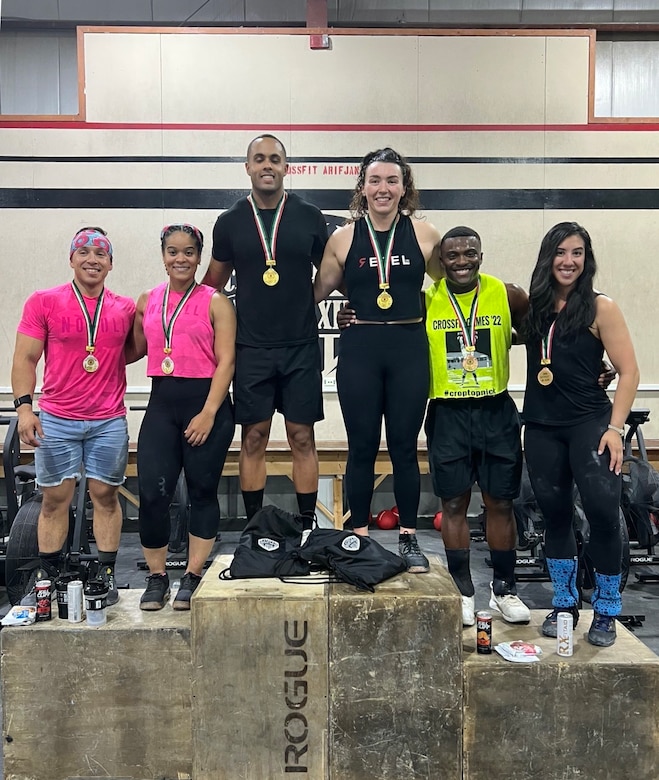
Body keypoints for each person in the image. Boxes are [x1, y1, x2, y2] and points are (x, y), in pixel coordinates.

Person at [314, 147, 442, 573]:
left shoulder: (426, 235)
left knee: (406, 448)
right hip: (361, 351)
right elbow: (310, 295)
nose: (383, 188)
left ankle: (408, 538)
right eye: (375, 181)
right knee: (362, 448)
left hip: (408, 350)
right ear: (362, 187)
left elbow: (455, 293)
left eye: (391, 180)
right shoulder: (343, 238)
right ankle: (358, 537)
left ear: (404, 186)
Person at [522, 222, 639, 647]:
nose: (568, 261)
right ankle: (564, 602)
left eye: (577, 253)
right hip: (540, 427)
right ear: (547, 256)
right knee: (554, 517)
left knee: (604, 514)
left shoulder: (599, 307)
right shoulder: (531, 305)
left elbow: (628, 372)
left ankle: (607, 609)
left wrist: (614, 429)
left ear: (586, 259)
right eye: (560, 252)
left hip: (590, 425)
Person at [201, 134, 328, 524]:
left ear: (286, 167)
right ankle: (254, 526)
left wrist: (349, 305)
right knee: (253, 437)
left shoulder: (309, 216)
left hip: (301, 346)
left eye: (275, 158)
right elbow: (212, 284)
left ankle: (307, 526)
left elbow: (332, 271)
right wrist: (177, 310)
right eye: (259, 159)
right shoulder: (230, 222)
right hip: (252, 348)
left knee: (301, 437)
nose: (267, 165)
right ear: (248, 168)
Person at [11, 226, 136, 605]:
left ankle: (107, 571)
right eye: (83, 252)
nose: (92, 259)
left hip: (108, 419)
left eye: (101, 253)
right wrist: (25, 408)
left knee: (106, 496)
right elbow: (25, 359)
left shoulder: (125, 308)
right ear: (71, 259)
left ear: (111, 263)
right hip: (57, 418)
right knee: (54, 500)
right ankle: (48, 575)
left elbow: (135, 350)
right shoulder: (43, 301)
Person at [425, 226, 532, 624]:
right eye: (452, 256)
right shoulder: (427, 300)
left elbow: (540, 332)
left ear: (481, 256)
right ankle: (462, 591)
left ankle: (504, 589)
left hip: (496, 410)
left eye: (470, 253)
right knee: (453, 504)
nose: (462, 262)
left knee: (500, 503)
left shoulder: (508, 294)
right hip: (448, 412)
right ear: (441, 262)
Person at [133, 224, 236, 610]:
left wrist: (209, 412)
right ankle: (157, 578)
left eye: (189, 252)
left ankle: (192, 576)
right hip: (162, 405)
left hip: (206, 405)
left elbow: (227, 360)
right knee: (151, 496)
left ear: (199, 256)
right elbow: (135, 348)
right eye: (173, 252)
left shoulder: (216, 301)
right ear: (163, 256)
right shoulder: (147, 300)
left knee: (202, 493)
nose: (181, 259)